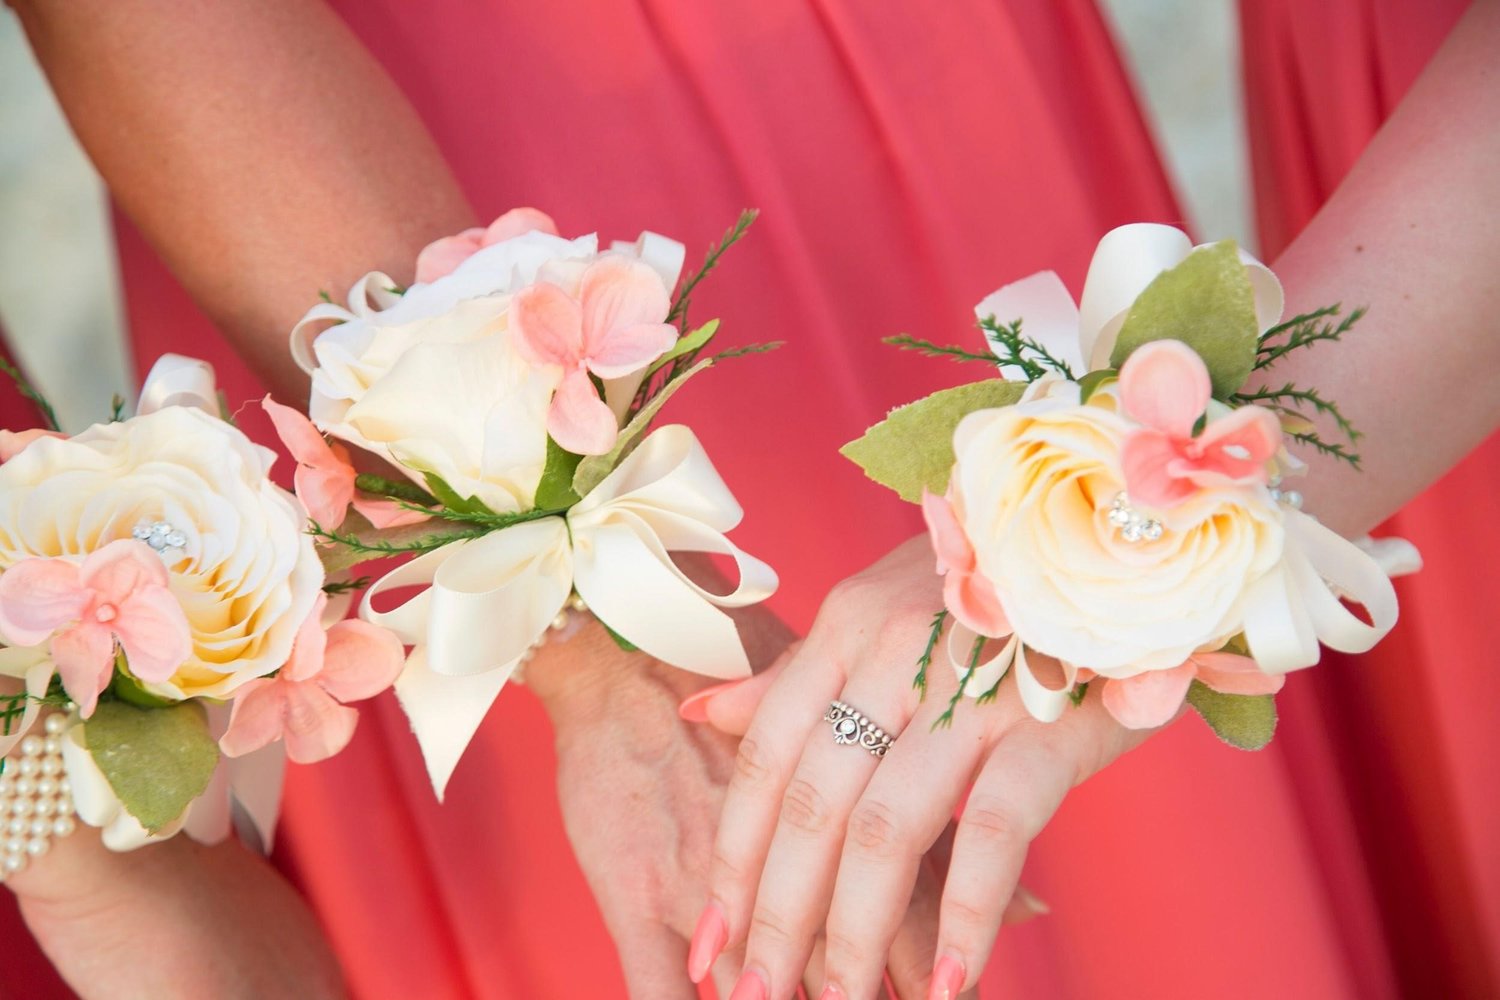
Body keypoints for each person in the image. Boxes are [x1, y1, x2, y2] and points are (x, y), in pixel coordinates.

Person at [2, 2, 1493, 998]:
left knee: (1119, 876)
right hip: (345, 209)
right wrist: (589, 626)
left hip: (914, 109)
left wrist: (1098, 543)